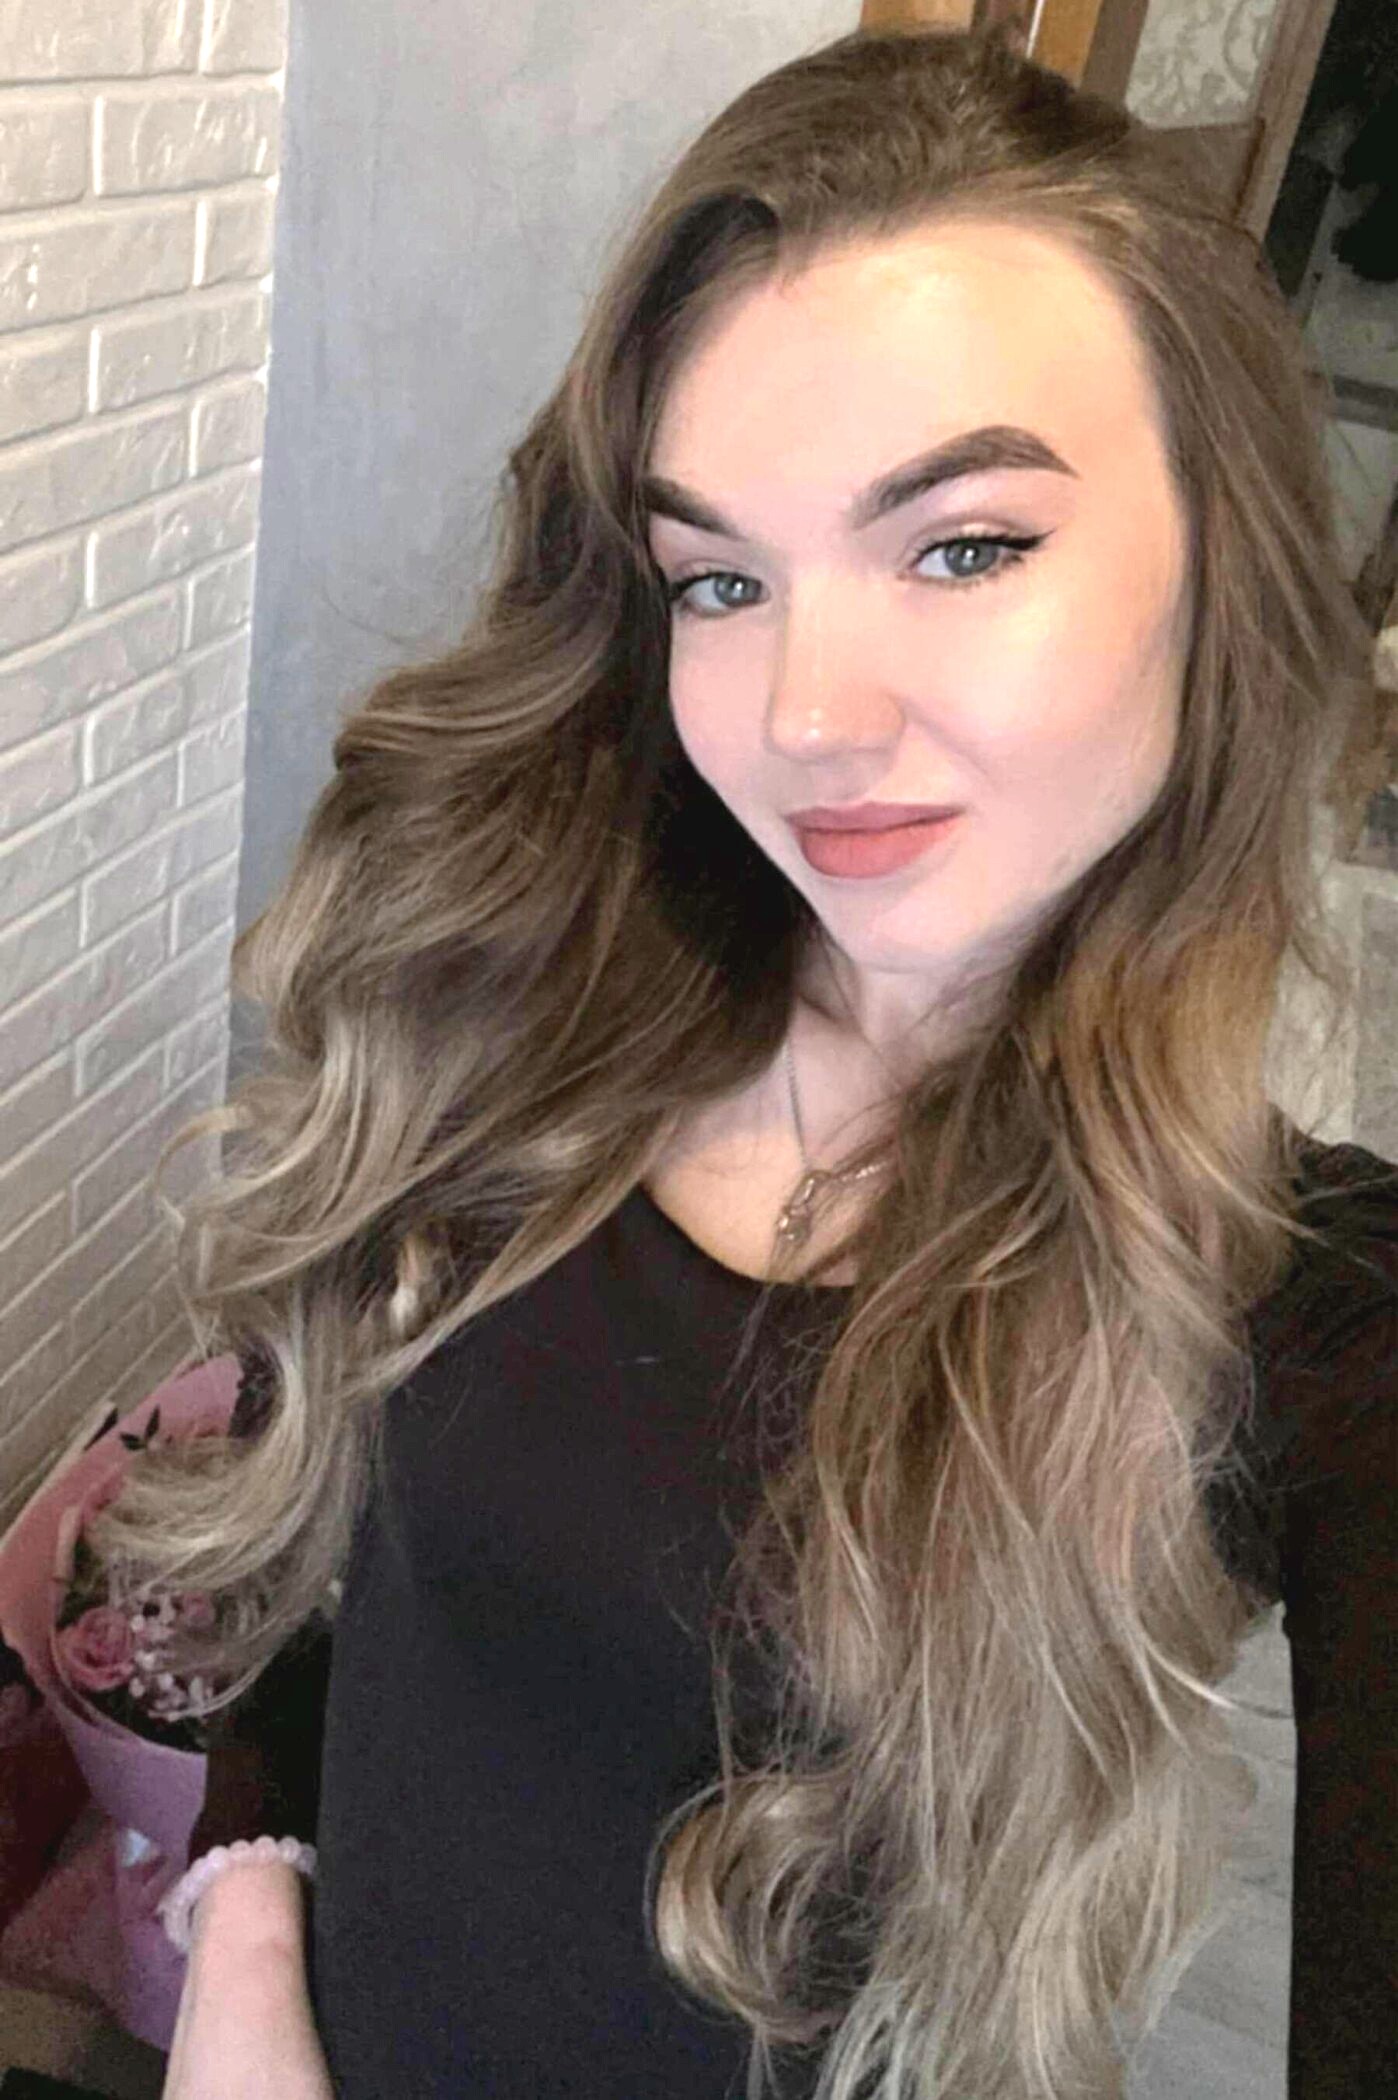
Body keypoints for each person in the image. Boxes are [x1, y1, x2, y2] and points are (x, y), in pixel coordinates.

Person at [87, 24, 1396, 2100]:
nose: (804, 717)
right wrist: (245, 1924)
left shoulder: (1309, 1318)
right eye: (718, 579)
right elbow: (324, 1509)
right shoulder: (530, 1017)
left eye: (964, 546)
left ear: (1221, 568)